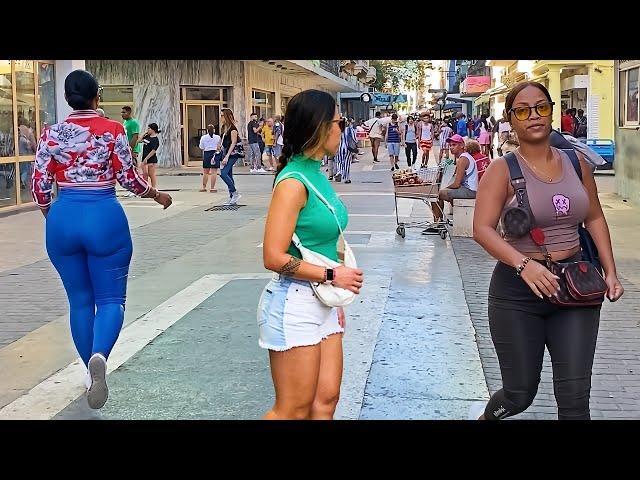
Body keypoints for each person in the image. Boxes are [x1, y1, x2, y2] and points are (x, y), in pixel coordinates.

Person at [471, 81, 624, 421]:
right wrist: (524, 265)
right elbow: (481, 229)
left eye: (541, 107)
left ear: (552, 109)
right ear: (511, 119)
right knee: (518, 395)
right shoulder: (502, 169)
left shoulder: (576, 162)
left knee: (574, 399)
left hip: (576, 289)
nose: (534, 116)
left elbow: (595, 216)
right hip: (517, 293)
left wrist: (610, 271)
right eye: (522, 111)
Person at [30, 69, 172, 410]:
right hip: (104, 217)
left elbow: (38, 185)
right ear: (98, 97)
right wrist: (156, 195)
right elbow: (129, 179)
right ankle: (100, 356)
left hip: (63, 218)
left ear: (67, 99)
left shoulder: (51, 133)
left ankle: (88, 371)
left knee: (80, 301)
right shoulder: (113, 130)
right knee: (110, 300)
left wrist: (55, 217)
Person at [259, 89, 364, 420]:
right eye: (338, 122)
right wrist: (334, 276)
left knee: (325, 402)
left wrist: (334, 294)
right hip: (295, 304)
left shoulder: (316, 173)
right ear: (320, 126)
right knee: (293, 410)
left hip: (324, 303)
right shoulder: (292, 183)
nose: (342, 129)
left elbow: (325, 241)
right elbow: (273, 257)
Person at [425, 134, 478, 234]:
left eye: (454, 145)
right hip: (468, 190)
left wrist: (445, 188)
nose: (451, 147)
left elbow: (456, 184)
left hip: (469, 191)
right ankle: (439, 222)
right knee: (441, 193)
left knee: (436, 194)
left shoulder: (463, 159)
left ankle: (438, 224)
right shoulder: (463, 158)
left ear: (462, 145)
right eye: (450, 145)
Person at [219, 108, 242, 205]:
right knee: (229, 174)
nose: (221, 118)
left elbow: (234, 142)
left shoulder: (233, 128)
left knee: (223, 173)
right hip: (226, 152)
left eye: (222, 116)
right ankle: (232, 197)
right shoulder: (225, 128)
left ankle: (234, 193)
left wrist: (227, 156)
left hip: (232, 154)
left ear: (226, 116)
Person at [199, 124, 221, 192]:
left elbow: (201, 147)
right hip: (215, 153)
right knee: (214, 172)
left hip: (207, 153)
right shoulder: (218, 137)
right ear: (214, 130)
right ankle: (212, 187)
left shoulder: (203, 137)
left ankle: (204, 187)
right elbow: (220, 146)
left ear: (207, 130)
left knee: (206, 172)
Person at [139, 123, 160, 189]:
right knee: (144, 174)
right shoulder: (147, 137)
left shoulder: (155, 139)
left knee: (151, 174)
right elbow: (139, 141)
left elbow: (153, 151)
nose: (148, 129)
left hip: (151, 159)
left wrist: (147, 158)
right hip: (144, 157)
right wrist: (144, 133)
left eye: (149, 128)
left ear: (153, 130)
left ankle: (154, 188)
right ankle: (146, 187)